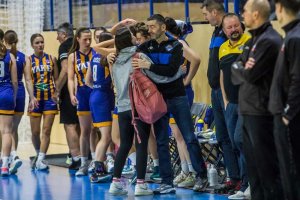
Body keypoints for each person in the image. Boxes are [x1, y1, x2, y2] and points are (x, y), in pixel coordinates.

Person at [134, 14, 207, 194]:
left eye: (152, 27)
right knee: (161, 140)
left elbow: (170, 71)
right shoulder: (146, 46)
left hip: (177, 97)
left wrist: (149, 66)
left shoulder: (176, 46)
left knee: (189, 136)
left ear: (163, 28)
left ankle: (201, 176)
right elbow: (129, 54)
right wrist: (111, 56)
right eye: (148, 26)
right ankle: (167, 182)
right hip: (158, 100)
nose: (149, 30)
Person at [231, 0, 283, 199]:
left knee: (267, 171)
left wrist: (242, 69)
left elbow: (251, 76)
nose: (241, 14)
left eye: (244, 11)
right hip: (248, 110)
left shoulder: (270, 40)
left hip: (262, 112)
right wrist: (243, 68)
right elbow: (233, 71)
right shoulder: (252, 40)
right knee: (255, 174)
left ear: (255, 14)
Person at [202, 0, 241, 193]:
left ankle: (243, 178)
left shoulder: (229, 36)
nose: (205, 18)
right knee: (222, 136)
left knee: (236, 137)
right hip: (217, 92)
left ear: (215, 12)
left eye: (206, 14)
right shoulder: (216, 33)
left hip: (228, 94)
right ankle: (233, 177)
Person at [108, 27, 153, 196]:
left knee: (125, 144)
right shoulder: (139, 56)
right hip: (138, 107)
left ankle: (115, 182)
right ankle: (141, 184)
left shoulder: (114, 60)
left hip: (122, 108)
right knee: (141, 144)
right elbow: (153, 74)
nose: (135, 37)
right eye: (132, 35)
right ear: (129, 39)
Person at [164, 17, 201, 188]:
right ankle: (185, 171)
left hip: (183, 92)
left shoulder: (179, 43)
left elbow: (195, 60)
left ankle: (194, 172)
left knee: (185, 135)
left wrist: (187, 80)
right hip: (172, 91)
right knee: (177, 136)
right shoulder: (168, 44)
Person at [217, 14, 251, 199]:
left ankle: (249, 183)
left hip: (248, 103)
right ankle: (243, 184)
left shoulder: (250, 42)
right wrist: (225, 100)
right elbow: (223, 75)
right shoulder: (222, 48)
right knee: (235, 144)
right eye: (229, 27)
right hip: (231, 104)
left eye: (236, 25)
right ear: (224, 30)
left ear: (242, 25)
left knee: (241, 140)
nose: (233, 29)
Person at [269, 0, 300, 199]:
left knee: (292, 170)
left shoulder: (294, 37)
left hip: (291, 118)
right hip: (286, 114)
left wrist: (288, 113)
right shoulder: (291, 35)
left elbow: (298, 79)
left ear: (279, 8)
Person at [3, 30, 37, 174]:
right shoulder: (24, 57)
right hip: (20, 93)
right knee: (12, 128)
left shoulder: (5, 55)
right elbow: (28, 79)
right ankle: (11, 156)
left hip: (7, 91)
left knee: (5, 130)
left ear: (4, 41)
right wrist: (32, 96)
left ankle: (12, 155)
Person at [85, 32, 115, 183]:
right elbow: (115, 80)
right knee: (106, 136)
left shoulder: (93, 57)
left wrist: (97, 87)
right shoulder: (107, 58)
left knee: (104, 135)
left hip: (95, 95)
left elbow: (86, 80)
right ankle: (97, 170)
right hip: (103, 96)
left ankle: (99, 167)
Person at [27, 33, 59, 171]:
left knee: (46, 130)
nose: (40, 45)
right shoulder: (29, 60)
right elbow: (28, 80)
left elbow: (57, 79)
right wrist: (31, 96)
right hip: (35, 99)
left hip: (49, 99)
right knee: (35, 132)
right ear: (32, 45)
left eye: (42, 42)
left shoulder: (52, 58)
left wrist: (57, 94)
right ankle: (38, 153)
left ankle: (41, 159)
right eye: (37, 43)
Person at [68, 27, 96, 176]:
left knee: (97, 129)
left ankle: (98, 161)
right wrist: (72, 94)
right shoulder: (73, 56)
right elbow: (70, 78)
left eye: (89, 38)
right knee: (85, 130)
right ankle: (84, 163)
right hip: (83, 94)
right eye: (84, 39)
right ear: (77, 39)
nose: (87, 41)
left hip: (97, 93)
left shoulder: (96, 52)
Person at [55, 22, 81, 170]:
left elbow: (65, 69)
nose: (58, 38)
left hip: (70, 91)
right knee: (83, 125)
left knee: (70, 124)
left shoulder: (64, 46)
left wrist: (57, 89)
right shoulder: (80, 43)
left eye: (58, 35)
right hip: (84, 89)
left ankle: (76, 157)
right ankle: (85, 156)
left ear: (64, 35)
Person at [0, 38, 18, 176]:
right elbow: (15, 81)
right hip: (6, 93)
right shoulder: (10, 56)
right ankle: (5, 165)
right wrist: (14, 96)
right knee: (7, 131)